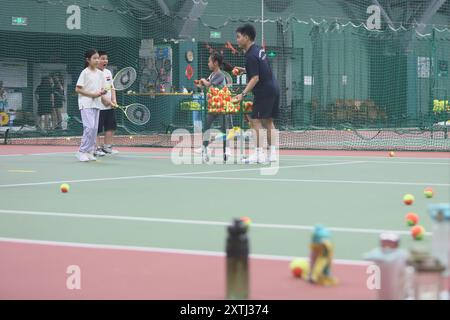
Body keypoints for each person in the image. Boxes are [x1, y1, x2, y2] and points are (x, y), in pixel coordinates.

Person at [234, 23, 280, 163]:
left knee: (255, 121)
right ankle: (272, 154)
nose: (237, 40)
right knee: (268, 121)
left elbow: (255, 78)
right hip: (274, 87)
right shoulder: (258, 51)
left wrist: (242, 94)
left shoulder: (250, 56)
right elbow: (260, 70)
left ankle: (259, 154)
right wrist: (244, 70)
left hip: (264, 91)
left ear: (246, 38)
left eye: (238, 37)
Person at [195, 52, 233, 159]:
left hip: (222, 106)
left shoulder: (220, 74)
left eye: (209, 62)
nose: (208, 64)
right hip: (213, 106)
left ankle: (228, 149)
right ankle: (204, 147)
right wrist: (200, 85)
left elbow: (209, 84)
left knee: (224, 128)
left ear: (215, 63)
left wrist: (203, 81)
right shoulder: (212, 75)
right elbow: (207, 87)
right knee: (207, 125)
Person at [75, 49, 107, 162]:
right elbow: (78, 89)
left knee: (94, 128)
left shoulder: (100, 74)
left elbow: (102, 89)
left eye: (98, 58)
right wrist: (92, 94)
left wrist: (102, 93)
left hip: (97, 104)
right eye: (94, 58)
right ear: (88, 60)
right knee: (89, 127)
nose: (97, 60)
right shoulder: (85, 72)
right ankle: (81, 151)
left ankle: (89, 151)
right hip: (85, 103)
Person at [95, 50, 118, 156]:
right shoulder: (94, 73)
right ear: (97, 59)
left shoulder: (108, 72)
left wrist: (114, 101)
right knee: (97, 129)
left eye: (106, 58)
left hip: (109, 107)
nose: (105, 60)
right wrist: (107, 102)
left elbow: (112, 88)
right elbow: (99, 92)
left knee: (111, 127)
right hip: (98, 107)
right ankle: (96, 148)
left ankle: (107, 147)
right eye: (102, 58)